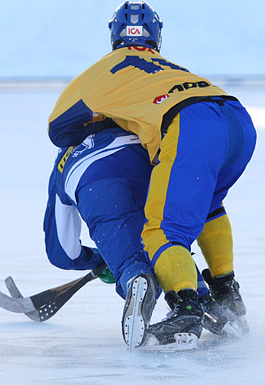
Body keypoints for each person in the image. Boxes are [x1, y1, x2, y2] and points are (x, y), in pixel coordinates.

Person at [47, 1, 256, 347]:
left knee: (161, 231)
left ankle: (186, 306)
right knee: (207, 207)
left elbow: (58, 128)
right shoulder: (167, 66)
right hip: (235, 117)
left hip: (189, 126)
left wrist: (107, 114)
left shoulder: (102, 70)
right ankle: (225, 293)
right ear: (156, 38)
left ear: (114, 36)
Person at [43, 123, 239, 348]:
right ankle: (203, 299)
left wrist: (99, 258)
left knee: (130, 260)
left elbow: (63, 252)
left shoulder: (62, 164)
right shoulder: (124, 120)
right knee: (163, 241)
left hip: (92, 184)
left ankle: (136, 277)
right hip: (143, 165)